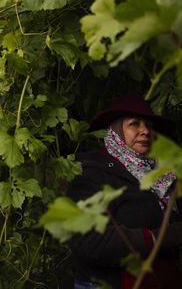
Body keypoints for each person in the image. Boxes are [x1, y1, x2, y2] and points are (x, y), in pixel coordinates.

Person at [67, 94, 182, 288]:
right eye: (134, 124)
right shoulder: (93, 172)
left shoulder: (162, 172)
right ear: (116, 130)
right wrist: (155, 238)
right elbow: (86, 238)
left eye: (149, 125)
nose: (145, 131)